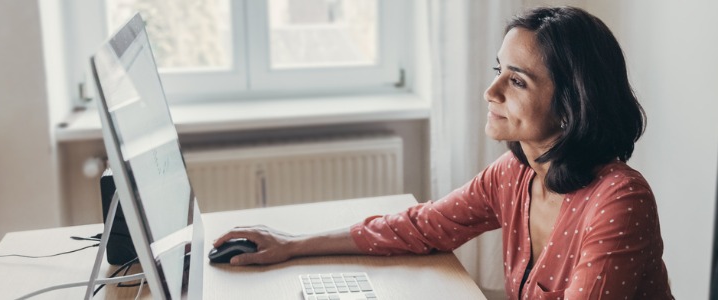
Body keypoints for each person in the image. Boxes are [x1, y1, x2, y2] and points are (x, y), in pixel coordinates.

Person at [215, 6, 673, 299]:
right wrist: (293, 245)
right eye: (499, 70)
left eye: (516, 80)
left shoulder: (619, 200)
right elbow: (420, 228)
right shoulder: (513, 174)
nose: (491, 90)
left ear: (573, 105)